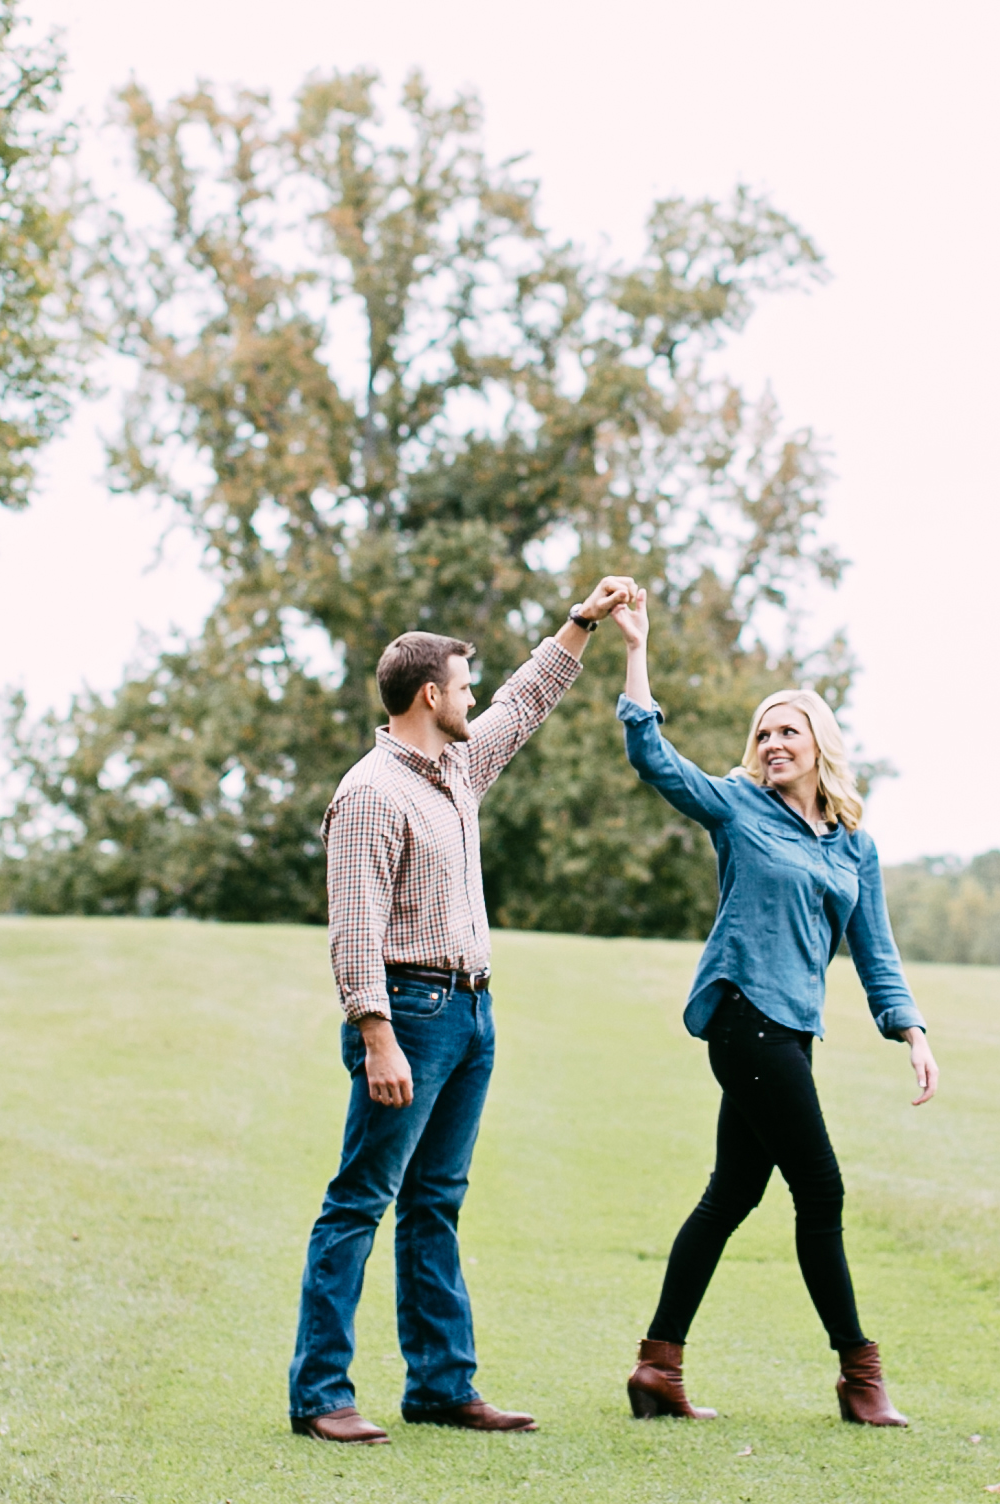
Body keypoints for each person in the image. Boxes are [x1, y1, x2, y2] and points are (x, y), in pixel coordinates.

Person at [286, 576, 643, 1446]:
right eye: (462, 684)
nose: (475, 697)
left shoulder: (457, 766)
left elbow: (525, 701)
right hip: (408, 1013)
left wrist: (581, 623)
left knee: (436, 1202)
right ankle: (320, 1395)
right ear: (427, 696)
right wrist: (376, 1035)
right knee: (359, 1200)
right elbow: (355, 927)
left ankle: (441, 1387)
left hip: (472, 1011)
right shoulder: (371, 792)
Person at [609, 589, 936, 1429]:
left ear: (819, 743)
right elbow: (653, 758)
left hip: (794, 1031)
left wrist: (911, 1030)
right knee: (820, 1189)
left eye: (788, 730)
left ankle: (657, 1367)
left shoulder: (852, 844)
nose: (772, 743)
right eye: (763, 732)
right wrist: (636, 648)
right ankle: (861, 1377)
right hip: (743, 1018)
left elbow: (876, 951)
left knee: (731, 1196)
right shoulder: (736, 806)